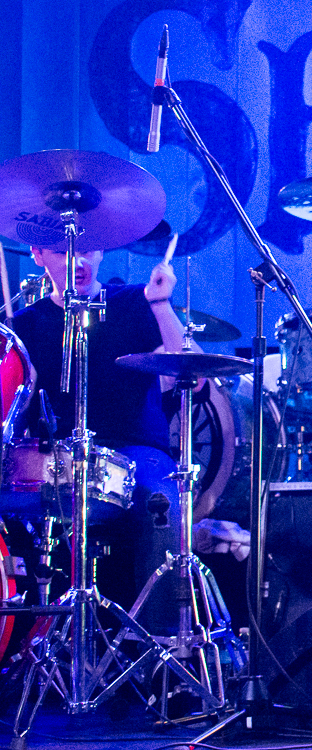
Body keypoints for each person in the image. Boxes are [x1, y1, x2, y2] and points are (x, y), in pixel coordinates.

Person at [11, 242, 188, 615]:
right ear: (37, 254)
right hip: (55, 458)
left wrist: (161, 304)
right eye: (62, 252)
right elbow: (14, 411)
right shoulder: (25, 323)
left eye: (88, 249)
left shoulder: (134, 302)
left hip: (136, 451)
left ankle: (164, 640)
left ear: (102, 250)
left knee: (161, 500)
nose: (79, 260)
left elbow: (191, 373)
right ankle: (21, 628)